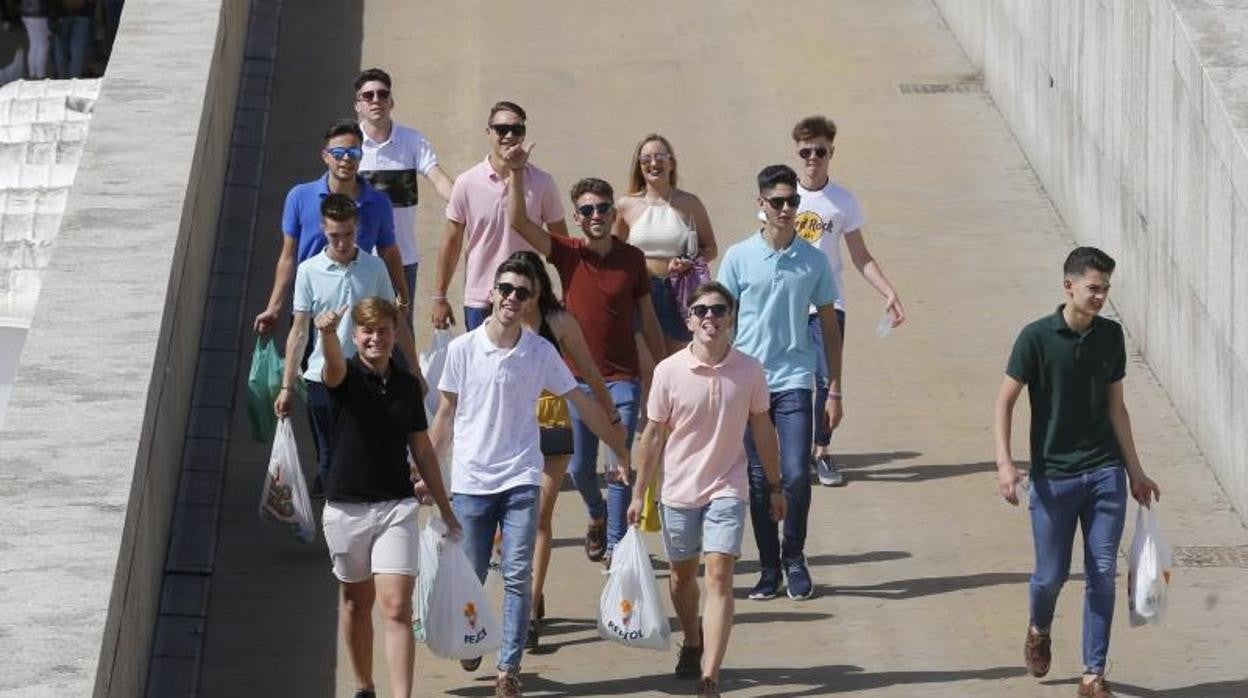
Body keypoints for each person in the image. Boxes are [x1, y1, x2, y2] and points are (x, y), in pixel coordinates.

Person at [430, 258, 630, 697]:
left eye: (522, 292)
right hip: (471, 482)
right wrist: (424, 471)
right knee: (473, 572)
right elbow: (445, 416)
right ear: (491, 292)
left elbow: (579, 400)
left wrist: (619, 447)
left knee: (518, 576)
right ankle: (473, 637)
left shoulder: (540, 352)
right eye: (506, 288)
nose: (511, 298)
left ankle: (508, 670)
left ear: (531, 300)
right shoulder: (462, 350)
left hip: (521, 476)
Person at [994, 247, 1160, 698]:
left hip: (1105, 473)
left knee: (1102, 572)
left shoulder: (1110, 337)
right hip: (1053, 478)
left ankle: (1093, 674)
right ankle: (1038, 626)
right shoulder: (1035, 338)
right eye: (1094, 288)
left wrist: (1135, 471)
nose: (1101, 296)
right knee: (1050, 576)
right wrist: (1006, 464)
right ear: (1069, 286)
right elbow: (1004, 402)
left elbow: (1117, 408)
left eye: (1106, 288)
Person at [628, 282, 784, 698]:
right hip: (678, 489)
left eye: (718, 310)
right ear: (689, 319)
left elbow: (763, 428)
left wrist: (775, 485)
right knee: (682, 577)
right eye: (701, 311)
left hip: (726, 486)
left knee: (719, 574)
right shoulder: (669, 371)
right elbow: (653, 435)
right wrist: (639, 492)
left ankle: (710, 675)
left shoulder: (750, 369)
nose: (709, 318)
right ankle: (693, 641)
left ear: (731, 317)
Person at [506, 157, 664, 566]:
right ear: (577, 218)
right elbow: (520, 223)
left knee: (618, 468)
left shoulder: (631, 259)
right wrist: (517, 172)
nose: (596, 216)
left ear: (614, 212)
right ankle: (595, 516)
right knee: (579, 470)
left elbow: (646, 316)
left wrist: (663, 369)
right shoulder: (567, 253)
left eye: (603, 208)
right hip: (573, 382)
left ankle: (615, 545)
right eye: (588, 210)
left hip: (622, 380)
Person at [314, 296, 460, 698]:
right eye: (367, 331)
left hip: (396, 506)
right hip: (345, 509)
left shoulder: (407, 385)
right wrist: (326, 333)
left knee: (396, 607)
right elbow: (331, 366)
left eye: (383, 330)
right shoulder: (343, 375)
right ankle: (364, 685)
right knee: (356, 604)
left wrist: (446, 509)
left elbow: (423, 449)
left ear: (396, 334)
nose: (375, 338)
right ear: (356, 336)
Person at [718, 164, 843, 601]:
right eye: (778, 202)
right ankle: (769, 567)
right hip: (749, 385)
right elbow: (719, 321)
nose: (786, 208)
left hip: (794, 381)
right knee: (757, 478)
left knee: (793, 474)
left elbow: (829, 326)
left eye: (792, 201)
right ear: (761, 205)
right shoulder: (737, 257)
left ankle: (794, 557)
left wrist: (835, 387)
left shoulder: (813, 260)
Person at [499, 250, 619, 650]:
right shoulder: (496, 325)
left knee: (538, 517)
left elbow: (588, 369)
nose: (519, 299)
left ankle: (529, 611)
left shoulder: (559, 323)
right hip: (509, 429)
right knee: (506, 526)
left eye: (526, 291)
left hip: (552, 424)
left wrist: (612, 417)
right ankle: (526, 589)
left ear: (538, 290)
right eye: (512, 290)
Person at [789, 115, 906, 486]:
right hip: (787, 303)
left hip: (827, 303)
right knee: (791, 381)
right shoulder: (783, 195)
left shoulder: (842, 201)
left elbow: (860, 255)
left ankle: (821, 450)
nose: (812, 158)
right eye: (805, 151)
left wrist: (888, 291)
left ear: (831, 153)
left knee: (827, 379)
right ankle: (795, 453)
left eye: (819, 151)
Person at [274, 193, 418, 492]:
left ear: (358, 229)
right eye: (334, 236)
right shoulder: (308, 271)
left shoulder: (375, 268)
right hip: (322, 379)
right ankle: (336, 522)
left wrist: (415, 371)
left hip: (369, 377)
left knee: (371, 451)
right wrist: (287, 387)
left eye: (349, 235)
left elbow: (394, 321)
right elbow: (299, 331)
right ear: (323, 231)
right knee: (329, 457)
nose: (342, 243)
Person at [253, 119, 410, 336]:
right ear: (325, 156)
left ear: (361, 155)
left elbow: (389, 251)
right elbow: (288, 257)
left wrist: (403, 297)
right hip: (309, 310)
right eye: (338, 153)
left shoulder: (379, 203)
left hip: (357, 316)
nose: (346, 159)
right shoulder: (299, 197)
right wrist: (274, 307)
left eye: (353, 153)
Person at [430, 101, 567, 332]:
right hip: (480, 299)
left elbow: (562, 246)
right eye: (502, 129)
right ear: (489, 133)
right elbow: (451, 242)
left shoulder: (543, 183)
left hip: (527, 299)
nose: (509, 135)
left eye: (517, 130)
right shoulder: (467, 182)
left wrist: (567, 295)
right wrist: (439, 297)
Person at [353, 67, 455, 322]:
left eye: (382, 94)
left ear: (391, 101)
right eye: (368, 96)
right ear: (358, 105)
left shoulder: (413, 141)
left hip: (403, 259)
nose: (376, 100)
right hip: (357, 259)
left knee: (400, 330)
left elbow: (437, 177)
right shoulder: (349, 145)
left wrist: (462, 202)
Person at [614, 133, 717, 358]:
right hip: (641, 292)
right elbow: (614, 253)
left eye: (660, 157)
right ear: (639, 165)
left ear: (671, 163)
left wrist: (688, 263)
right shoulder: (625, 205)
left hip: (679, 290)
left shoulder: (690, 203)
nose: (654, 164)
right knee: (647, 364)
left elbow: (710, 248)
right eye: (646, 159)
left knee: (680, 360)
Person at [50, 0, 91, 79]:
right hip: (82, 14)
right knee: (78, 50)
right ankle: (74, 80)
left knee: (60, 50)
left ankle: (63, 79)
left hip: (61, 14)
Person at [18, 0, 49, 79]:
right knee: (43, 45)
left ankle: (32, 73)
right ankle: (41, 74)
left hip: (26, 12)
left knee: (33, 44)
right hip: (39, 13)